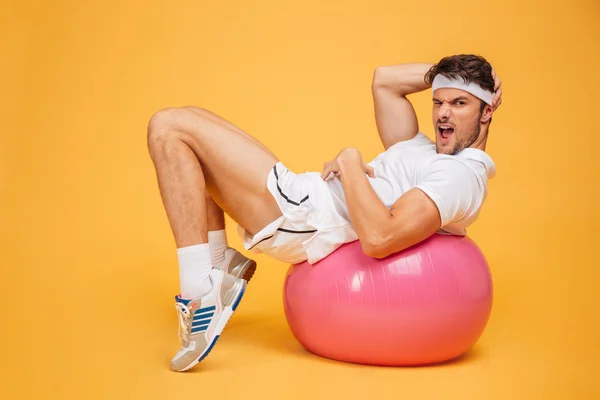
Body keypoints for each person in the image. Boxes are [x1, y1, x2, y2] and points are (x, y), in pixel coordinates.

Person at [147, 53, 502, 372]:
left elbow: (381, 239)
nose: (442, 112)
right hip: (305, 200)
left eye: (459, 103)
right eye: (439, 101)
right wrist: (449, 75)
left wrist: (349, 161)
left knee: (169, 128)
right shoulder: (424, 148)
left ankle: (199, 295)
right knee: (186, 126)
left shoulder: (460, 175)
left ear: (487, 111)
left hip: (306, 218)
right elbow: (384, 80)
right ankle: (216, 260)